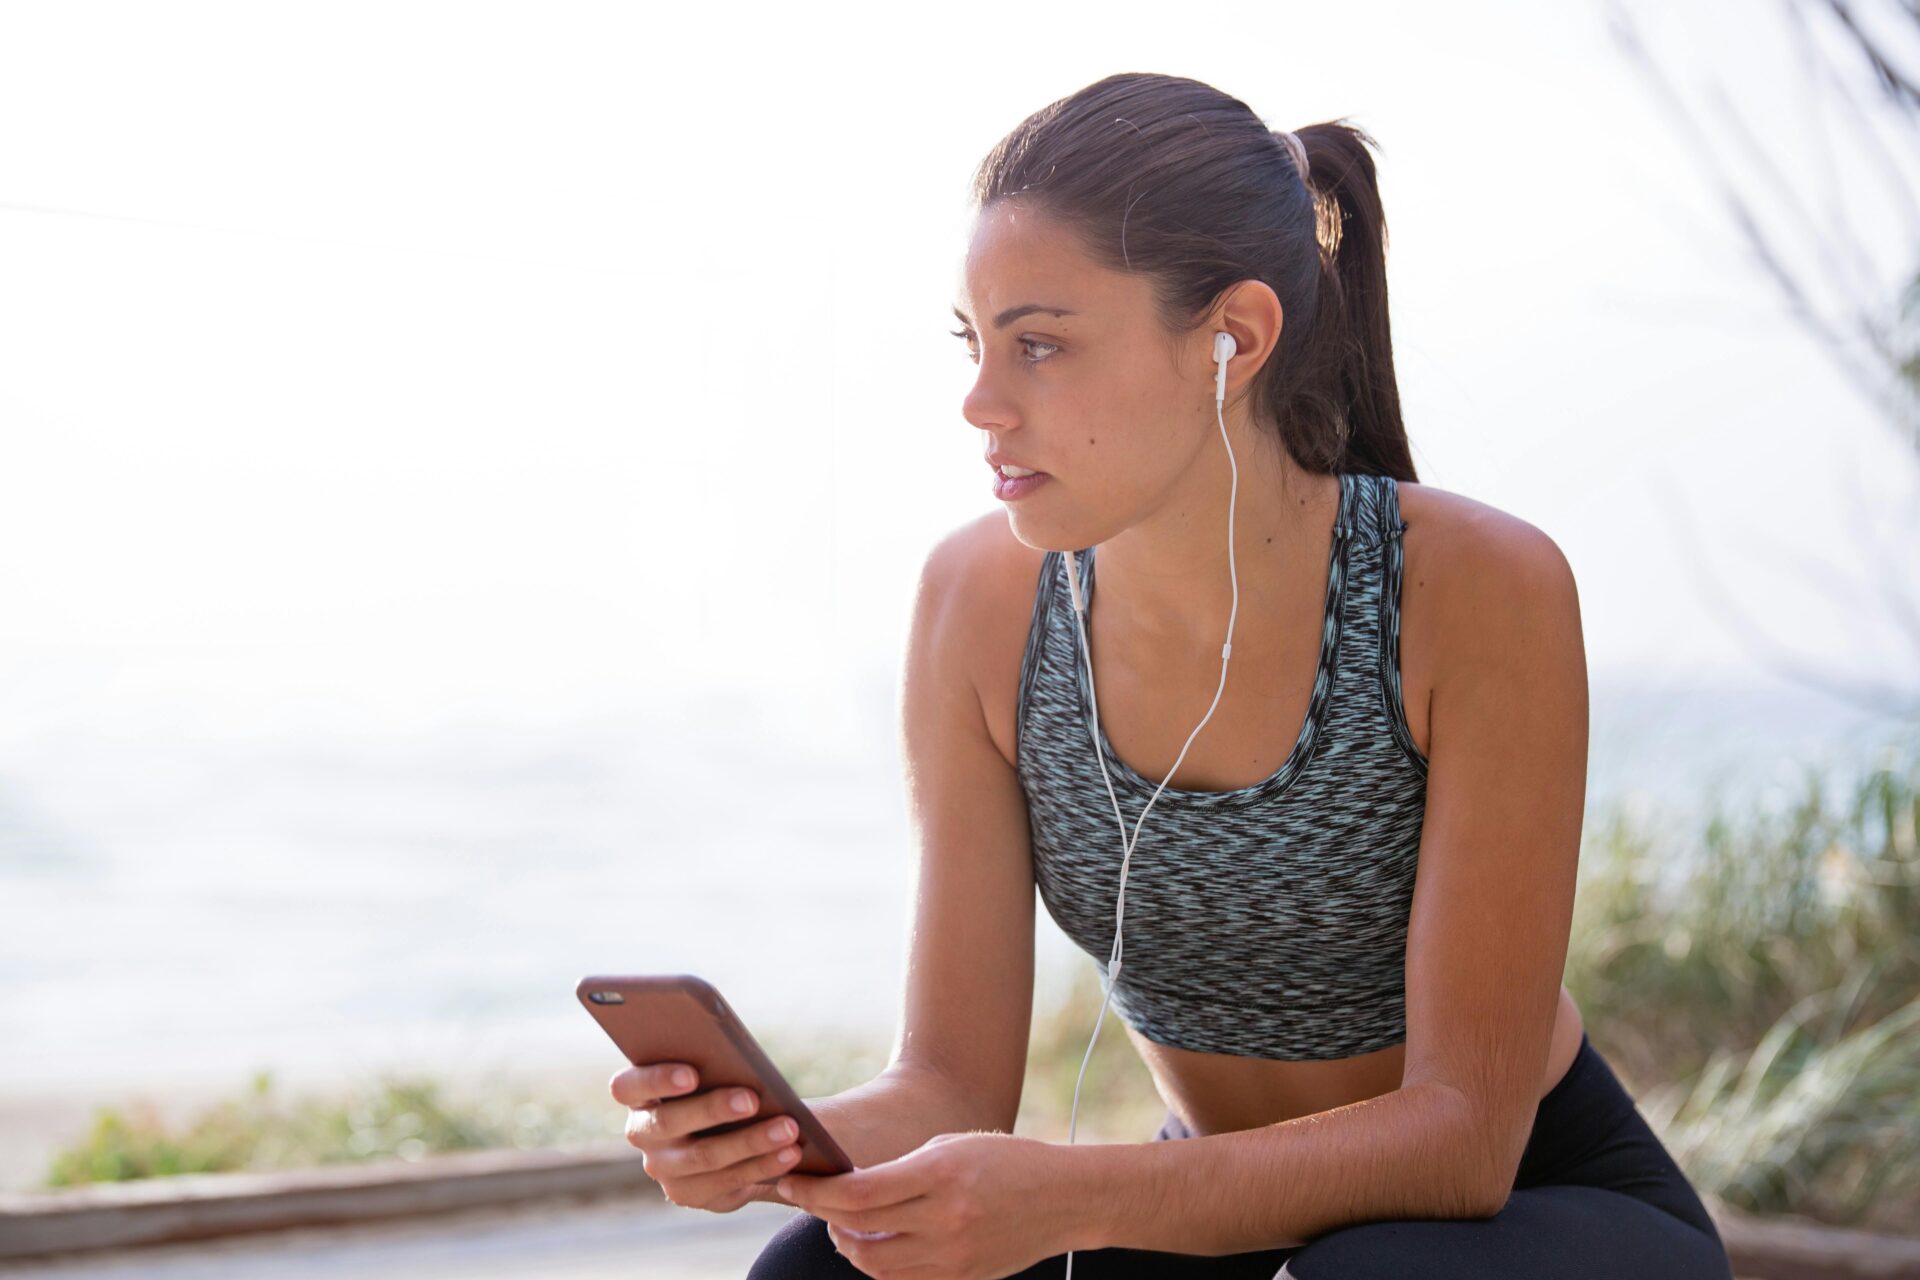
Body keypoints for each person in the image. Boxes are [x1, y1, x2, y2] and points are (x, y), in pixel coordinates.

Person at [614, 70, 1737, 1279]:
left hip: (1522, 1209)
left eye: (1040, 343)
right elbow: (949, 1082)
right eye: (976, 343)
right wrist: (783, 1140)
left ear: (1234, 337)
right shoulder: (978, 606)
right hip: (1217, 1212)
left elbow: (1461, 1141)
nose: (980, 403)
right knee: (819, 1269)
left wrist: (1076, 1195)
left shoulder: (1473, 589)